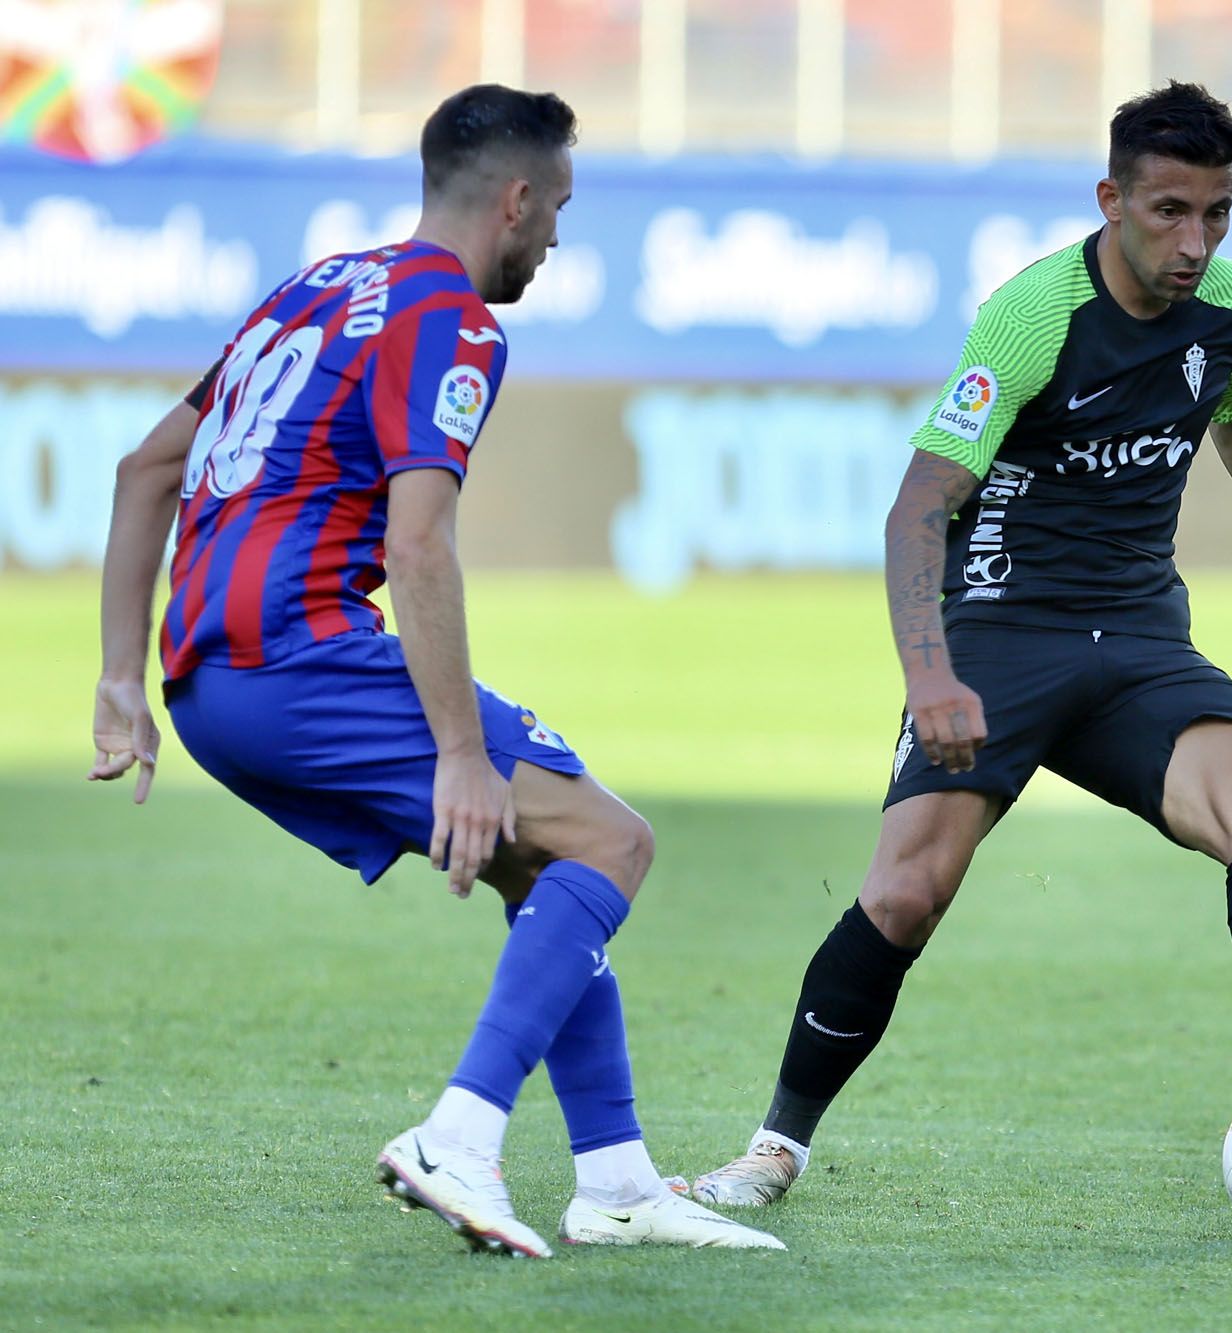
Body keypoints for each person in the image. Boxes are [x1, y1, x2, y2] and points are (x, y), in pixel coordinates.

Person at [684, 82, 1232, 1210]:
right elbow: (916, 507)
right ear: (1110, 198)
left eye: (1216, 213)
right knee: (906, 892)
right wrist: (929, 673)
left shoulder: (1230, 309)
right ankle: (773, 1146)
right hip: (998, 633)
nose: (1194, 243)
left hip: (1135, 636)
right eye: (1168, 211)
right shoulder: (1032, 317)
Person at [88, 84, 781, 1259]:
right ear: (514, 200)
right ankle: (458, 1135)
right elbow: (418, 541)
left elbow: (145, 466)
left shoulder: (317, 288)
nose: (556, 237)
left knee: (543, 868)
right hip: (298, 652)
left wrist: (117, 680)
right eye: (556, 208)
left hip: (209, 686)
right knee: (611, 841)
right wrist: (462, 754)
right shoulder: (452, 319)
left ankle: (615, 1180)